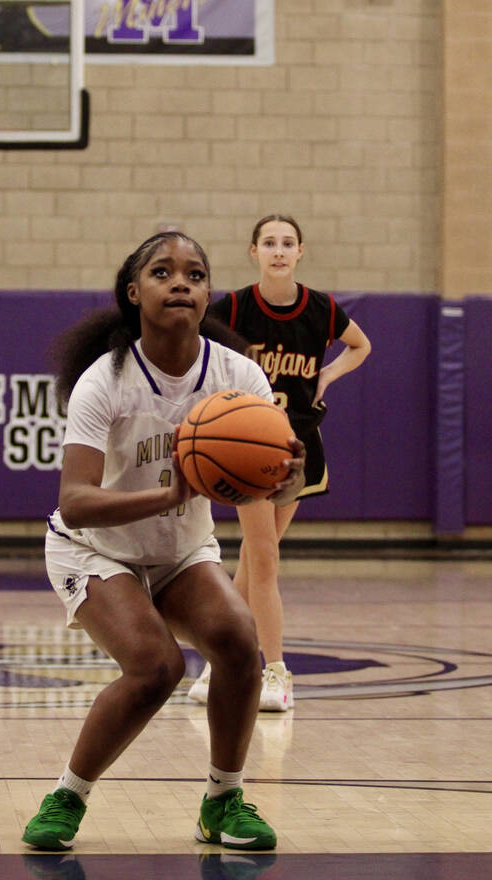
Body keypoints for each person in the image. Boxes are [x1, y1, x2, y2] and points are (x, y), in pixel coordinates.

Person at [21, 231, 306, 853]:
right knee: (156, 668)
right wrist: (169, 494)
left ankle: (223, 800)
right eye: (163, 272)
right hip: (94, 549)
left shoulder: (239, 376)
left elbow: (276, 477)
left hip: (180, 550)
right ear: (133, 292)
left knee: (240, 642)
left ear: (208, 294)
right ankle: (68, 794)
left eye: (195, 274)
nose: (181, 282)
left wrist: (285, 474)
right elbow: (76, 500)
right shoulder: (105, 381)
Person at [188, 214, 371, 713]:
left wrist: (327, 376)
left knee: (255, 559)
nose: (279, 251)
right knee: (264, 557)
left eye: (287, 243)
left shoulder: (322, 308)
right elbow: (196, 347)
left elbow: (361, 345)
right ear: (254, 252)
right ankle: (275, 670)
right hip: (249, 450)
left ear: (300, 251)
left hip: (300, 448)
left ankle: (216, 662)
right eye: (269, 242)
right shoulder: (233, 308)